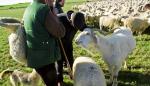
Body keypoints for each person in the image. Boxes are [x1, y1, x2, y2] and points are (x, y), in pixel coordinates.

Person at [23, 0, 65, 86]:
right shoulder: (43, 9)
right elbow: (60, 32)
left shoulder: (28, 8)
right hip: (45, 59)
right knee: (52, 83)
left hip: (35, 57)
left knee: (47, 82)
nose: (53, 0)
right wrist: (54, 14)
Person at [56, 10, 87, 85]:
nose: (76, 29)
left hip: (69, 42)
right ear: (70, 21)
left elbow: (85, 28)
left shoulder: (79, 19)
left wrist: (91, 30)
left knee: (70, 59)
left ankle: (72, 74)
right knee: (59, 62)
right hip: (59, 44)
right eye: (75, 27)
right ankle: (60, 80)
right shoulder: (59, 19)